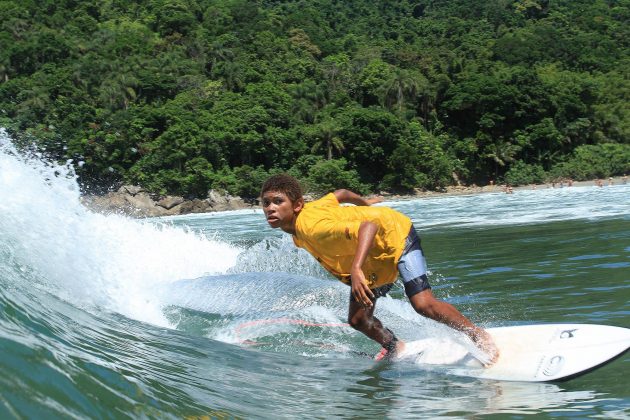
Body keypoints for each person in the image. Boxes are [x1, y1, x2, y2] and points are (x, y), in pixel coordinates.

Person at [260, 174, 499, 365]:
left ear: (298, 205)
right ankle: (396, 347)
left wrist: (355, 268)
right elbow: (340, 194)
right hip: (372, 258)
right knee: (358, 319)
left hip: (395, 236)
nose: (270, 208)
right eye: (266, 203)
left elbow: (369, 226)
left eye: (278, 201)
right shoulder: (306, 218)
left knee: (423, 304)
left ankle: (478, 334)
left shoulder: (313, 228)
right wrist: (366, 204)